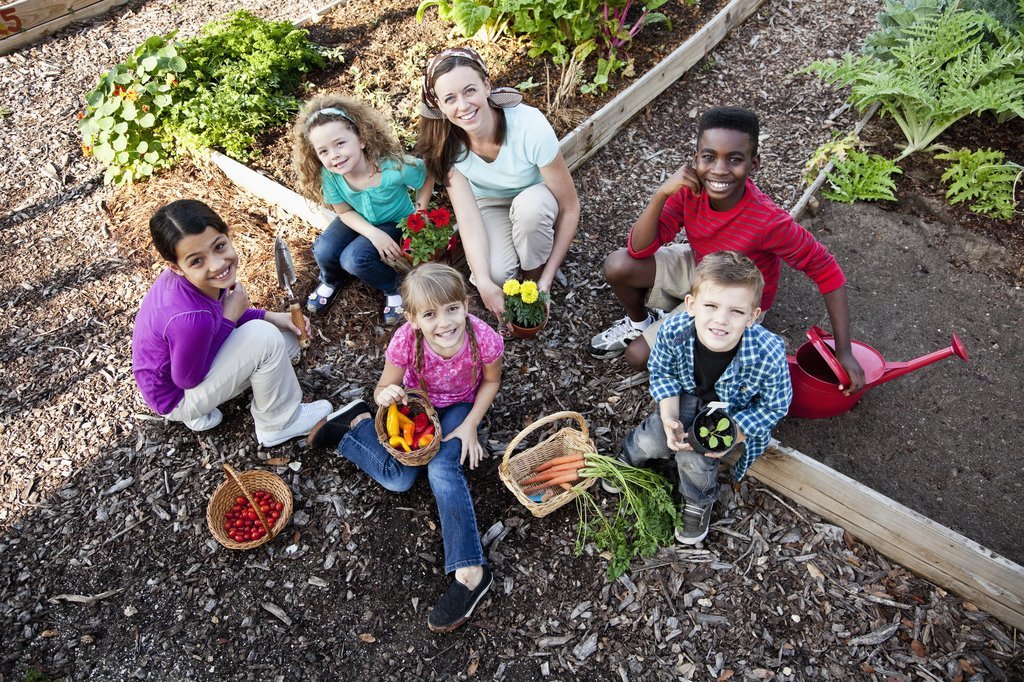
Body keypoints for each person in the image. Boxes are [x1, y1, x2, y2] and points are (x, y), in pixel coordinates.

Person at [588, 106, 866, 394]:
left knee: (638, 357)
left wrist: (843, 350)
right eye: (709, 157)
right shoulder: (689, 191)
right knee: (618, 265)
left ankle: (705, 363)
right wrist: (662, 193)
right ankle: (640, 323)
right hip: (701, 267)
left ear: (753, 164)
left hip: (735, 294)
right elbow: (638, 249)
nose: (719, 169)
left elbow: (826, 270)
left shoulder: (768, 222)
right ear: (695, 160)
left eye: (734, 159)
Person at [307, 263, 503, 633]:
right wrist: (386, 396)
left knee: (442, 467)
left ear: (465, 304)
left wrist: (470, 425)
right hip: (415, 406)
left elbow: (491, 382)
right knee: (399, 480)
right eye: (430, 314)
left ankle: (470, 573)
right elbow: (383, 390)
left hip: (460, 406)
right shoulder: (405, 342)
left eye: (452, 309)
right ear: (412, 318)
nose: (444, 323)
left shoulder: (484, 338)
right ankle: (354, 428)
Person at [616, 251, 792, 545]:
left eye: (736, 311)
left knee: (695, 458)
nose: (721, 320)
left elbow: (775, 405)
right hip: (683, 395)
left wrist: (733, 434)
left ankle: (698, 500)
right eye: (711, 305)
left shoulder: (768, 353)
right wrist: (670, 415)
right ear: (691, 305)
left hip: (730, 412)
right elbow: (662, 373)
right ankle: (630, 454)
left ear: (753, 316)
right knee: (654, 437)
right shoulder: (673, 331)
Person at [132, 199, 333, 447]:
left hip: (170, 377)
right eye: (197, 261)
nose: (216, 264)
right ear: (176, 267)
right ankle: (279, 423)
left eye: (219, 246)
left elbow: (219, 318)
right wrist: (230, 318)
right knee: (266, 339)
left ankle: (202, 412)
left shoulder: (193, 283)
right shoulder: (190, 320)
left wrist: (272, 316)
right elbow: (188, 379)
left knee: (286, 338)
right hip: (177, 397)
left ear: (227, 235)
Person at [415, 46, 580, 323]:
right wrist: (483, 282)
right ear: (440, 107)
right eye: (450, 98)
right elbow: (468, 219)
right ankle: (519, 263)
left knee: (530, 212)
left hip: (536, 198)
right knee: (494, 276)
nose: (463, 106)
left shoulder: (529, 126)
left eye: (470, 91)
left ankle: (533, 275)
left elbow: (570, 206)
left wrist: (547, 279)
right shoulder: (446, 146)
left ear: (487, 86)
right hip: (490, 204)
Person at [291, 94, 434, 325]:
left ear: (362, 139)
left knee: (355, 259)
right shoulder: (330, 176)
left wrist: (420, 211)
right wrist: (373, 233)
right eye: (323, 151)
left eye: (340, 143)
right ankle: (331, 279)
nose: (334, 155)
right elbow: (344, 212)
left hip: (394, 220)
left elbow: (426, 176)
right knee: (323, 249)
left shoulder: (391, 167)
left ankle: (394, 288)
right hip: (357, 217)